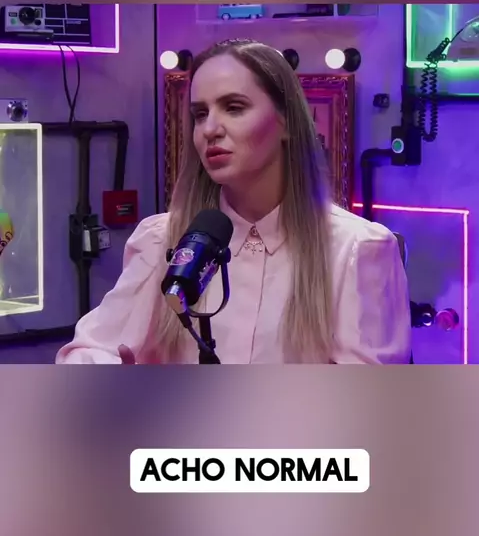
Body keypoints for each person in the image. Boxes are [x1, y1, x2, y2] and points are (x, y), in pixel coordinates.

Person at [56, 39, 412, 365]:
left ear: (286, 123)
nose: (210, 129)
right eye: (200, 114)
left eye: (234, 108)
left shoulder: (357, 249)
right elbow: (83, 352)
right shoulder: (162, 240)